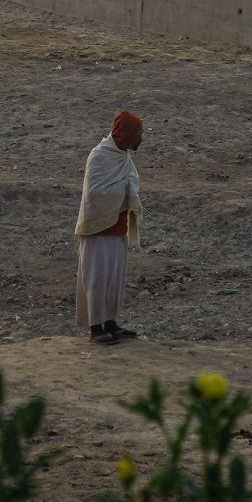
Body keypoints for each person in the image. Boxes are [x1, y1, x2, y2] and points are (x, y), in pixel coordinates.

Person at [75, 111, 144, 345]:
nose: (140, 140)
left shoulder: (122, 157)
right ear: (126, 134)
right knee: (97, 279)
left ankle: (111, 324)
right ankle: (96, 328)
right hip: (98, 230)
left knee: (114, 279)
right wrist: (125, 188)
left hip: (117, 228)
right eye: (138, 135)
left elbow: (128, 182)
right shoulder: (99, 156)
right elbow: (94, 195)